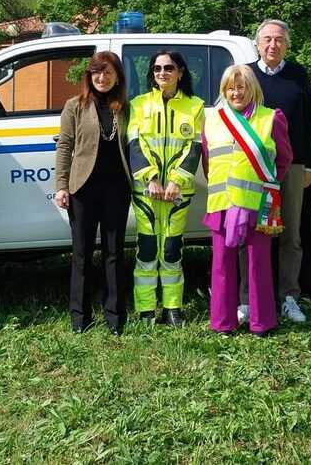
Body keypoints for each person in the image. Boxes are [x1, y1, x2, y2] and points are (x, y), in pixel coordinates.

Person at [203, 65, 292, 337]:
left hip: (258, 202)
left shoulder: (271, 117)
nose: (236, 92)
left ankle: (262, 322)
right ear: (223, 91)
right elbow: (208, 158)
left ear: (252, 88)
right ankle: (222, 322)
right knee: (221, 264)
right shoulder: (213, 119)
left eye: (241, 86)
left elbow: (284, 158)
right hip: (221, 202)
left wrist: (267, 185)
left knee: (258, 264)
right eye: (230, 87)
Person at [239, 19, 311, 325]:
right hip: (252, 168)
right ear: (257, 43)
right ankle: (247, 299)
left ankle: (289, 297)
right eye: (267, 39)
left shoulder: (298, 75)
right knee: (251, 234)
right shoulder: (246, 74)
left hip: (292, 166)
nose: (273, 45)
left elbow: (310, 123)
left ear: (287, 44)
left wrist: (309, 164)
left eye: (279, 40)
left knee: (291, 234)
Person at [55, 52, 130, 336]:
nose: (102, 77)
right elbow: (64, 147)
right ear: (89, 75)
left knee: (114, 253)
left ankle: (115, 317)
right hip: (83, 189)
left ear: (117, 76)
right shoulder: (75, 106)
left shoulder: (125, 108)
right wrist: (61, 186)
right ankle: (80, 317)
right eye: (97, 72)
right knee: (81, 254)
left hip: (117, 189)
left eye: (108, 72)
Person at [127, 51, 204, 326]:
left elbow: (193, 148)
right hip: (147, 192)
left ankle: (173, 309)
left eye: (169, 68)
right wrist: (150, 178)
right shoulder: (138, 104)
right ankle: (146, 310)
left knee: (172, 250)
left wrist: (175, 181)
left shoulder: (195, 106)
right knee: (147, 250)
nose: (163, 73)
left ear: (180, 72)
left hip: (176, 193)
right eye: (157, 68)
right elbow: (134, 145)